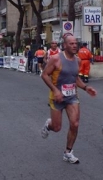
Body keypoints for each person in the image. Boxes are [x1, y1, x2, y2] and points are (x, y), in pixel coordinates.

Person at [41, 35, 97, 164]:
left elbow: (75, 78)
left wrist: (85, 87)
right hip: (57, 97)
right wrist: (55, 90)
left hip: (72, 96)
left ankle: (68, 152)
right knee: (57, 127)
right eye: (71, 43)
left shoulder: (77, 60)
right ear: (65, 45)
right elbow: (44, 75)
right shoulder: (56, 59)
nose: (74, 45)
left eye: (75, 43)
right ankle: (48, 125)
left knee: (75, 124)